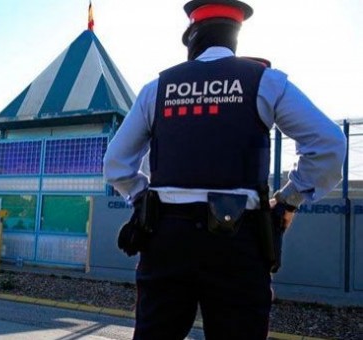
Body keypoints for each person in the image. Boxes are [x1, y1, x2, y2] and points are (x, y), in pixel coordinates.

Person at [102, 1, 347, 338]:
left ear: (191, 37)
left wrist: (143, 199)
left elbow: (115, 164)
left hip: (166, 238)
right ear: (234, 38)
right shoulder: (265, 81)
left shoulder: (157, 89)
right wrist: (289, 200)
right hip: (239, 239)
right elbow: (329, 143)